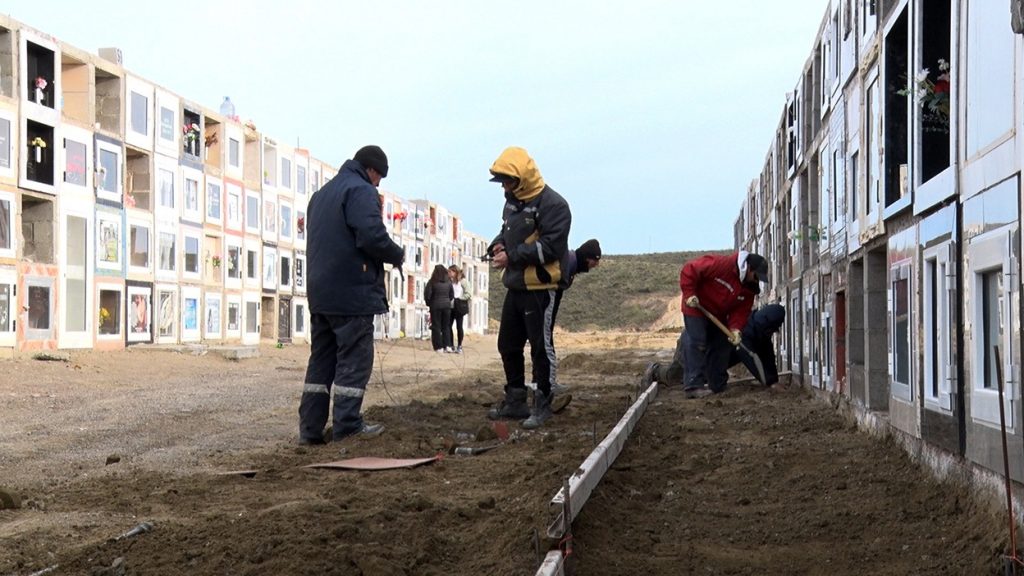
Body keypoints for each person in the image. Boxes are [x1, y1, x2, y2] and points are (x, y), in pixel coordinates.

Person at [297, 145, 404, 445]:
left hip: (321, 294)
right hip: (351, 293)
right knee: (354, 359)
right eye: (378, 179)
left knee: (321, 361)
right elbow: (371, 235)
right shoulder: (361, 191)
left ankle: (310, 431)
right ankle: (347, 425)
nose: (377, 185)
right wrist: (396, 254)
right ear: (372, 170)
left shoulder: (320, 196)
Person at [486, 146, 572, 430]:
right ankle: (516, 401)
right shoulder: (513, 202)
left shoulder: (555, 206)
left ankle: (543, 402)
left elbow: (551, 247)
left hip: (541, 286)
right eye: (502, 183)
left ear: (522, 178)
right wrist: (497, 244)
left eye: (508, 182)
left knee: (540, 346)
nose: (504, 189)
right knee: (507, 344)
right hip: (516, 285)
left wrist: (511, 256)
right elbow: (507, 230)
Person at [679, 250, 769, 398]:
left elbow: (741, 312)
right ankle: (693, 386)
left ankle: (717, 385)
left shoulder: (748, 290)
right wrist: (689, 294)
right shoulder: (721, 265)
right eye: (756, 276)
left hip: (717, 315)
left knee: (721, 344)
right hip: (696, 306)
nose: (756, 280)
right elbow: (689, 270)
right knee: (697, 342)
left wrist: (735, 329)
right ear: (749, 268)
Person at [643, 303, 785, 392]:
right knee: (676, 376)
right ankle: (655, 370)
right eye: (772, 330)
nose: (772, 333)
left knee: (704, 378)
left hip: (711, 353)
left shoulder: (760, 334)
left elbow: (767, 355)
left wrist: (773, 380)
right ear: (767, 326)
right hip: (695, 342)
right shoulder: (744, 329)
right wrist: (769, 382)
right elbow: (748, 357)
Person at [546, 238, 602, 395]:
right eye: (595, 260)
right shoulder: (568, 263)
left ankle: (546, 381)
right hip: (545, 305)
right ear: (587, 258)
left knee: (545, 339)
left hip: (549, 306)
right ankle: (547, 383)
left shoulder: (571, 263)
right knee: (545, 341)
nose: (595, 265)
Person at [424, 264, 454, 353]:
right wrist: (447, 301)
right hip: (447, 307)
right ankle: (447, 345)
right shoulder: (448, 282)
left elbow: (427, 294)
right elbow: (451, 295)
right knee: (446, 326)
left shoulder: (432, 281)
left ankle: (438, 347)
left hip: (435, 306)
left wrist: (429, 304)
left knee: (436, 326)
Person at [448, 264, 472, 353]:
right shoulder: (450, 282)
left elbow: (468, 294)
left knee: (459, 326)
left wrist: (459, 299)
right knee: (448, 326)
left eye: (450, 272)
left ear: (455, 272)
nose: (449, 274)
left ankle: (459, 345)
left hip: (459, 307)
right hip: (450, 307)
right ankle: (451, 344)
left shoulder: (463, 282)